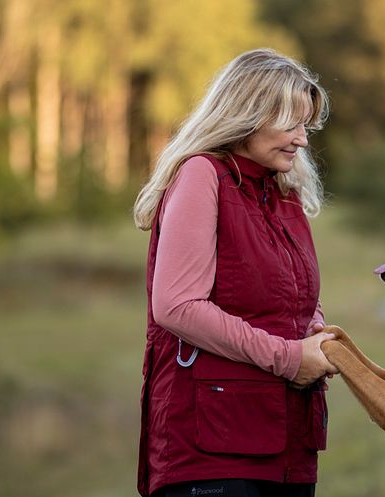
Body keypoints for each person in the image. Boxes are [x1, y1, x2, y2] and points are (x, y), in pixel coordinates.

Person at [132, 48, 338, 497]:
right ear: (246, 116)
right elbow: (177, 305)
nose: (302, 140)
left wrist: (315, 334)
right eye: (290, 124)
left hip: (288, 448)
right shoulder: (201, 175)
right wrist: (290, 358)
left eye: (306, 125)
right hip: (211, 453)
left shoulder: (283, 190)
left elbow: (299, 296)